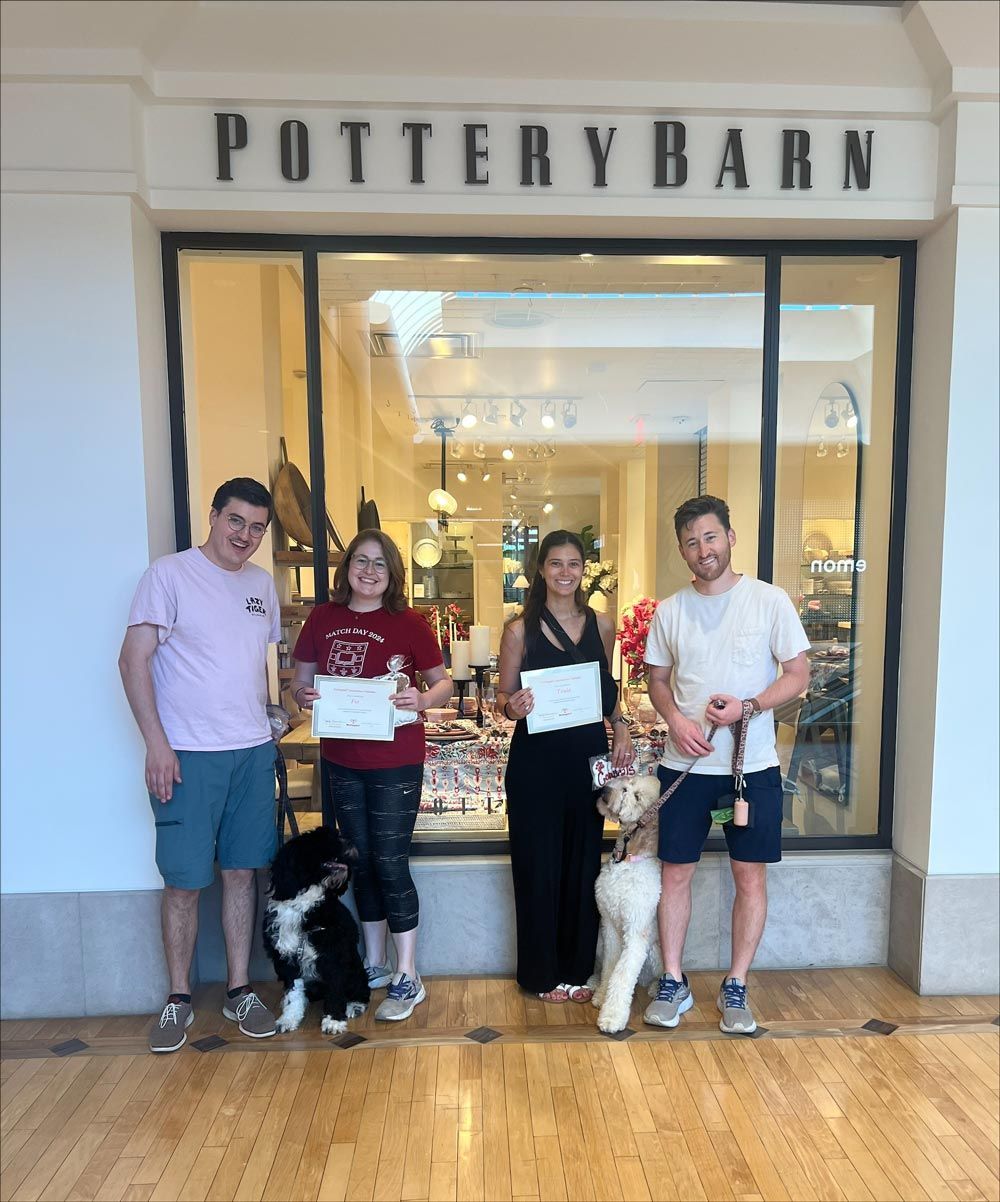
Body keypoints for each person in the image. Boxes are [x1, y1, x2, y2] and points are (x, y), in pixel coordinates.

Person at [119, 478, 283, 1052]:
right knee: (184, 881)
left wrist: (271, 713)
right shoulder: (168, 576)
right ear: (213, 516)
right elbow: (132, 660)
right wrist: (156, 744)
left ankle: (239, 989)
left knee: (242, 872)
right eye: (236, 520)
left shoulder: (261, 585)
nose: (245, 535)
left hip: (251, 752)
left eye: (257, 527)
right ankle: (178, 998)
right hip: (186, 755)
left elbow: (254, 663)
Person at [643, 495, 810, 1034]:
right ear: (682, 551)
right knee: (675, 873)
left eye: (711, 537)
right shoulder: (670, 611)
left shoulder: (768, 601)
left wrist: (749, 707)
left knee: (749, 876)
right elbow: (658, 681)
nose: (703, 549)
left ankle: (736, 983)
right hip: (684, 766)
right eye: (691, 542)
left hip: (751, 767)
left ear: (731, 538)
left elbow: (798, 674)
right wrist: (674, 720)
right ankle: (673, 979)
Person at [289, 529, 451, 1021]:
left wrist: (422, 699)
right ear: (347, 568)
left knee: (391, 863)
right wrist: (303, 696)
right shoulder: (323, 617)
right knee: (359, 863)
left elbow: (442, 683)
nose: (369, 571)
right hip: (342, 760)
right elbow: (300, 682)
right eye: (361, 560)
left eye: (380, 564)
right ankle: (375, 962)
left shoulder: (410, 623)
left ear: (392, 573)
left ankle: (408, 974)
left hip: (396, 760)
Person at [496, 530, 633, 1003]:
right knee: (538, 865)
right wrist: (513, 706)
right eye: (555, 563)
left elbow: (606, 688)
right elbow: (502, 698)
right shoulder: (519, 630)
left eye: (574, 563)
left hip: (585, 759)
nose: (565, 572)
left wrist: (621, 727)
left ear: (583, 570)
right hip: (535, 763)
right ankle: (541, 973)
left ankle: (577, 968)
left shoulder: (602, 624)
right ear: (541, 569)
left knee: (582, 861)